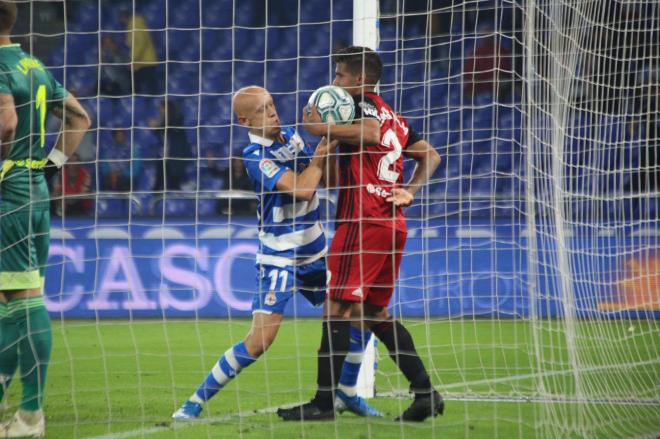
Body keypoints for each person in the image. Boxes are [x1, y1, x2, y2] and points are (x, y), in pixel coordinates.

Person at [172, 86, 381, 420]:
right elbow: (301, 189)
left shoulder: (292, 138)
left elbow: (322, 181)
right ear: (245, 120)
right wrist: (318, 156)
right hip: (280, 257)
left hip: (315, 252)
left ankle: (348, 392)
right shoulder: (254, 156)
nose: (272, 112)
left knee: (362, 314)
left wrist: (330, 142)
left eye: (272, 104)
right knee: (260, 341)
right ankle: (194, 403)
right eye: (262, 109)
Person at [277, 46, 443, 422]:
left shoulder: (363, 106)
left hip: (363, 221)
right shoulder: (396, 117)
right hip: (391, 224)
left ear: (361, 80)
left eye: (339, 75)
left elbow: (369, 133)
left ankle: (322, 403)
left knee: (336, 308)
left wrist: (318, 127)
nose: (334, 82)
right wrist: (410, 191)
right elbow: (431, 155)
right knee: (374, 312)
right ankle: (425, 394)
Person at [0, 2, 92, 436]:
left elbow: (5, 123)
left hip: (8, 190)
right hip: (33, 185)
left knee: (23, 295)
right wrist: (51, 164)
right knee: (8, 297)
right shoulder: (33, 64)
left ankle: (32, 414)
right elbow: (80, 117)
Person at [149, 100, 191, 191]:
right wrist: (155, 127)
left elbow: (170, 126)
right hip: (163, 157)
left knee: (174, 186)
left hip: (174, 159)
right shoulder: (163, 124)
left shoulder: (177, 121)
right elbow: (159, 131)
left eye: (163, 109)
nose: (161, 112)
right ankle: (155, 202)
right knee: (157, 185)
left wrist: (158, 124)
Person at [119, 9, 160, 96]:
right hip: (139, 64)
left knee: (151, 89)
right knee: (136, 88)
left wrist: (132, 59)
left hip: (145, 62)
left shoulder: (135, 24)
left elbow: (140, 43)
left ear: (124, 17)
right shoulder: (131, 26)